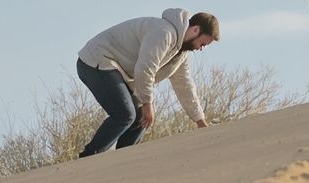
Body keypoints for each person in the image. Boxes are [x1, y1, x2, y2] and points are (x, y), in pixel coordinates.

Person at [76, 9, 219, 157]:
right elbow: (145, 68)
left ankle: (123, 161)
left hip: (117, 71)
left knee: (141, 119)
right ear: (196, 30)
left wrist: (200, 121)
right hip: (96, 61)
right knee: (125, 114)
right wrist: (147, 103)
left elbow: (185, 86)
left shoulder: (181, 53)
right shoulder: (164, 33)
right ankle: (89, 156)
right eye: (202, 43)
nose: (201, 49)